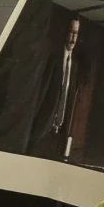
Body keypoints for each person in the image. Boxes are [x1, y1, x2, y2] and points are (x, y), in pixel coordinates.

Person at [30, 14, 85, 161]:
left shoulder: (75, 65)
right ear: (64, 33)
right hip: (43, 128)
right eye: (71, 32)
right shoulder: (52, 58)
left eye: (76, 34)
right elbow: (40, 93)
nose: (73, 38)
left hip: (60, 132)